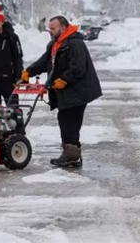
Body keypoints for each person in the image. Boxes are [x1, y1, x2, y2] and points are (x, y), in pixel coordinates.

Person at [22, 16, 102, 168]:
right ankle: (72, 154)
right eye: (49, 28)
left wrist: (64, 79)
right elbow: (44, 61)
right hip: (67, 91)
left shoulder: (75, 43)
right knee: (66, 119)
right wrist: (29, 71)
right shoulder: (55, 44)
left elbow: (78, 67)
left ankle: (71, 155)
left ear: (63, 28)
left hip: (78, 90)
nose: (50, 31)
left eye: (53, 28)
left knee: (69, 120)